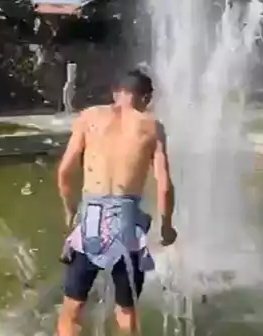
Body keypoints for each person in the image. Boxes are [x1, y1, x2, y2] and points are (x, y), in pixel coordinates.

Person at [56, 69, 177, 336]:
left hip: (90, 223)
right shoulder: (152, 127)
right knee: (126, 310)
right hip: (128, 227)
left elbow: (65, 171)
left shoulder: (88, 118)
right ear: (146, 98)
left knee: (72, 309)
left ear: (115, 93)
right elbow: (165, 185)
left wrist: (70, 212)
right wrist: (166, 226)